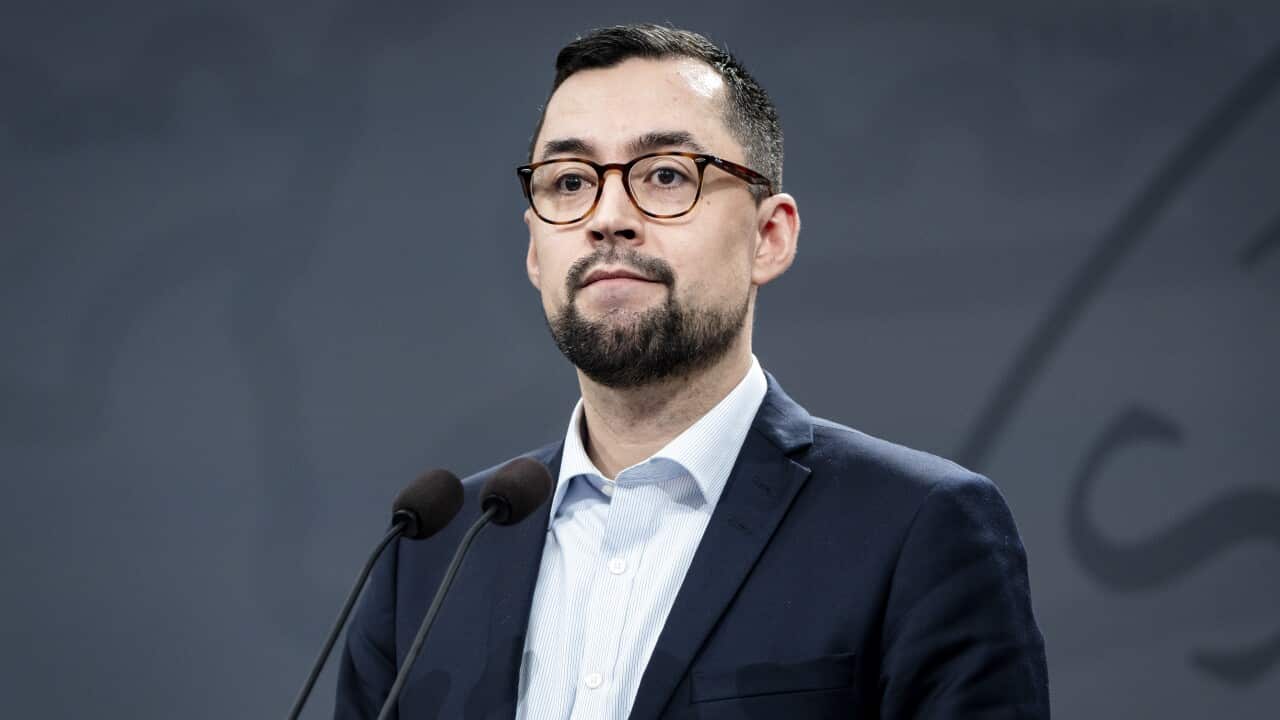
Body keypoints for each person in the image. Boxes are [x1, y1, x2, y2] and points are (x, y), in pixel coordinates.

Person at [335, 23, 1049, 719]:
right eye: (569, 181)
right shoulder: (431, 555)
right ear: (534, 251)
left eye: (667, 175)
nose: (608, 217)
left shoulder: (917, 529)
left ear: (769, 237)